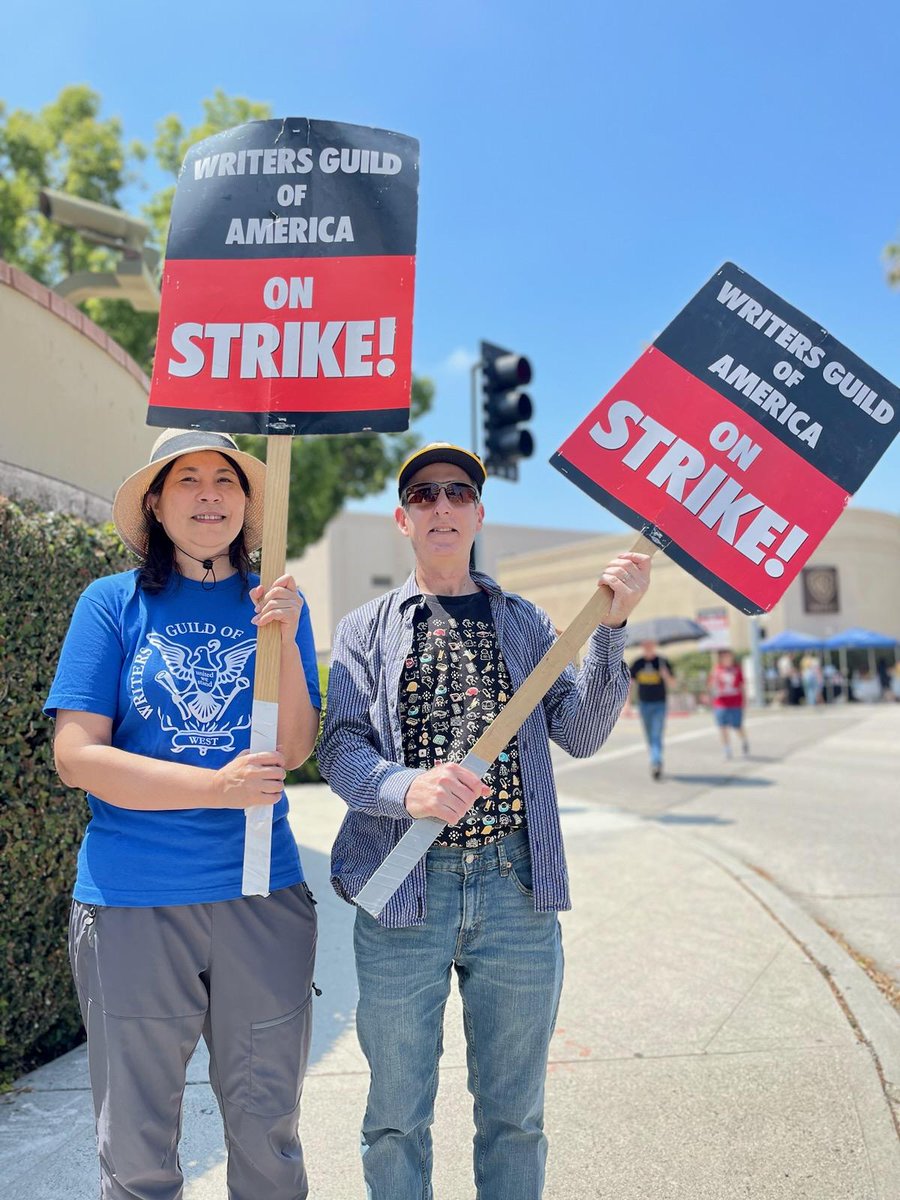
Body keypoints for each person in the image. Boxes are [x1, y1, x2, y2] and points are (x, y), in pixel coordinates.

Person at [316, 442, 652, 1200]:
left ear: (479, 513)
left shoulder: (528, 623)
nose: (442, 506)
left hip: (514, 889)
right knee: (397, 1116)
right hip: (405, 891)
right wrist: (405, 789)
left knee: (515, 1116)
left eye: (458, 492)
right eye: (425, 494)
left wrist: (612, 629)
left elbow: (584, 732)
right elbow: (337, 746)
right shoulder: (366, 628)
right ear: (402, 519)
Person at [44, 428, 322, 1200]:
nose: (208, 494)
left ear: (246, 502)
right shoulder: (111, 603)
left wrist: (283, 634)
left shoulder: (277, 601)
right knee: (134, 1152)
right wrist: (213, 788)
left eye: (225, 480)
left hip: (261, 894)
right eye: (187, 479)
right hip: (133, 900)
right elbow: (77, 756)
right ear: (158, 505)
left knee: (269, 1139)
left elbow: (295, 747)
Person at [628, 638, 674, 779]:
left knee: (656, 735)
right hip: (644, 704)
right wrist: (627, 705)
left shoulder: (662, 662)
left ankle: (656, 762)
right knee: (649, 735)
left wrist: (665, 675)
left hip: (660, 703)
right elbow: (630, 684)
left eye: (650, 643)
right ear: (642, 645)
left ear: (654, 645)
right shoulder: (637, 663)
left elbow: (672, 683)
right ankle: (655, 759)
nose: (648, 646)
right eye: (645, 644)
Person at [707, 648, 749, 757]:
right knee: (723, 726)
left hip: (735, 701)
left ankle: (744, 740)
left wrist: (745, 700)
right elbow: (711, 685)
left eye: (728, 656)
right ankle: (727, 748)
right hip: (720, 702)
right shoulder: (716, 670)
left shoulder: (737, 669)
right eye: (724, 656)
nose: (726, 658)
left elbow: (742, 686)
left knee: (737, 726)